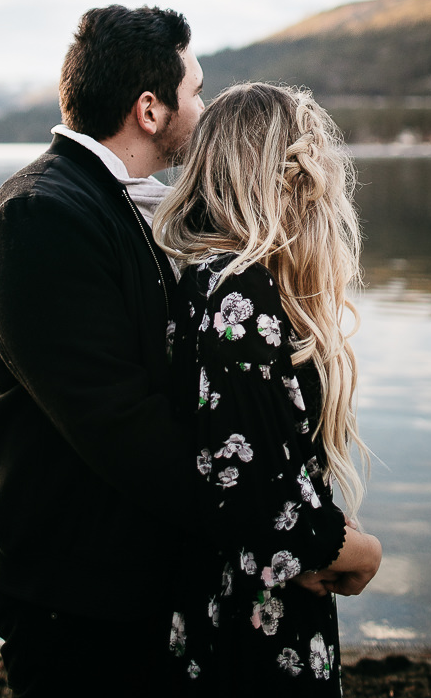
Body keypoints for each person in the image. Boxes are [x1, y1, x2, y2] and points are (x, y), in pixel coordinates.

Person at [0, 4, 205, 697]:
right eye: (196, 90)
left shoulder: (127, 203)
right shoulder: (40, 217)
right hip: (73, 595)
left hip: (131, 581)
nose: (205, 106)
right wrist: (268, 524)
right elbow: (121, 425)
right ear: (150, 110)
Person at [153, 82, 382, 694]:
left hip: (222, 598)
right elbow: (249, 494)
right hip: (253, 619)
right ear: (278, 180)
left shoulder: (199, 281)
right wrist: (354, 550)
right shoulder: (240, 297)